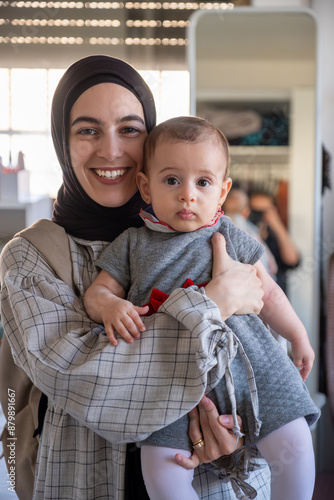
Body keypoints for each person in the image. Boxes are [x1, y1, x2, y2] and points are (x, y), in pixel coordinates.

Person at [0, 55, 272, 500]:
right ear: (62, 143)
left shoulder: (214, 236)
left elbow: (259, 360)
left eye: (129, 129)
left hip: (204, 479)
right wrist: (212, 304)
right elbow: (87, 383)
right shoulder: (30, 258)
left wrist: (236, 431)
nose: (111, 150)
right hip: (83, 481)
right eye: (87, 130)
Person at [84, 116, 320, 500]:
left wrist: (298, 336)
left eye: (203, 182)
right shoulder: (132, 243)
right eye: (172, 180)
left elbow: (271, 294)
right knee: (161, 466)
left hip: (251, 364)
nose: (187, 195)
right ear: (145, 186)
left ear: (223, 190)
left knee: (294, 443)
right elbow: (97, 293)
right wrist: (110, 305)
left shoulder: (227, 233)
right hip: (168, 376)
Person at [249, 190, 300, 293]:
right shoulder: (244, 234)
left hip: (276, 296)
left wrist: (276, 223)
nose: (260, 215)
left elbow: (293, 261)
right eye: (255, 211)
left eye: (265, 211)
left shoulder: (275, 236)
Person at [223, 186, 278, 279]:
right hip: (260, 272)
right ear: (246, 212)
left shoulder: (223, 222)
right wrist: (272, 262)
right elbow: (262, 246)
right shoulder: (247, 226)